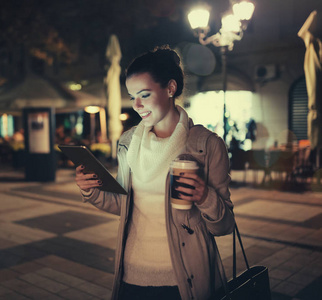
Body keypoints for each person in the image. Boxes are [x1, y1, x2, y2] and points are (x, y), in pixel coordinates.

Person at [75, 45, 234, 300]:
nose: (136, 105)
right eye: (131, 97)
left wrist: (205, 196)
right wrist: (90, 189)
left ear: (170, 89)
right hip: (131, 276)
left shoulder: (205, 145)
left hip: (184, 279)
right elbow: (123, 204)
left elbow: (224, 225)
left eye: (145, 95)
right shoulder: (128, 142)